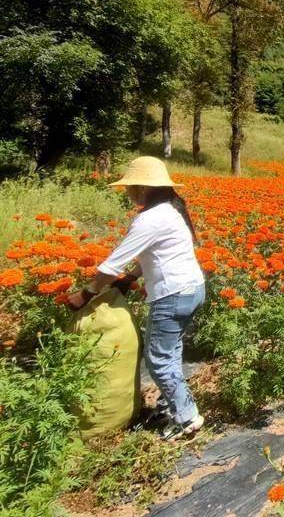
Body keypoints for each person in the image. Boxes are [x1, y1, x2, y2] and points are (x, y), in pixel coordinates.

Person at [67, 156, 206, 441]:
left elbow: (110, 265)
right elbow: (153, 255)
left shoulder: (149, 218)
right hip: (192, 289)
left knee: (157, 358)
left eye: (130, 187)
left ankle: (187, 417)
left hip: (172, 295)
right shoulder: (171, 210)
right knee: (171, 351)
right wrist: (131, 278)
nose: (127, 192)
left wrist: (86, 293)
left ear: (142, 188)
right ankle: (171, 405)